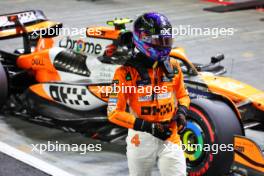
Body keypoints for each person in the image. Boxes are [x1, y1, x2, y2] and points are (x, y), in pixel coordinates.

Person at [107, 12, 190, 176]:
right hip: (141, 138)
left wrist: (182, 111)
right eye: (159, 41)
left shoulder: (173, 66)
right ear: (143, 40)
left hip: (170, 135)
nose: (164, 45)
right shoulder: (125, 73)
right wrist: (148, 127)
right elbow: (113, 112)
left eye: (167, 40)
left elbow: (183, 96)